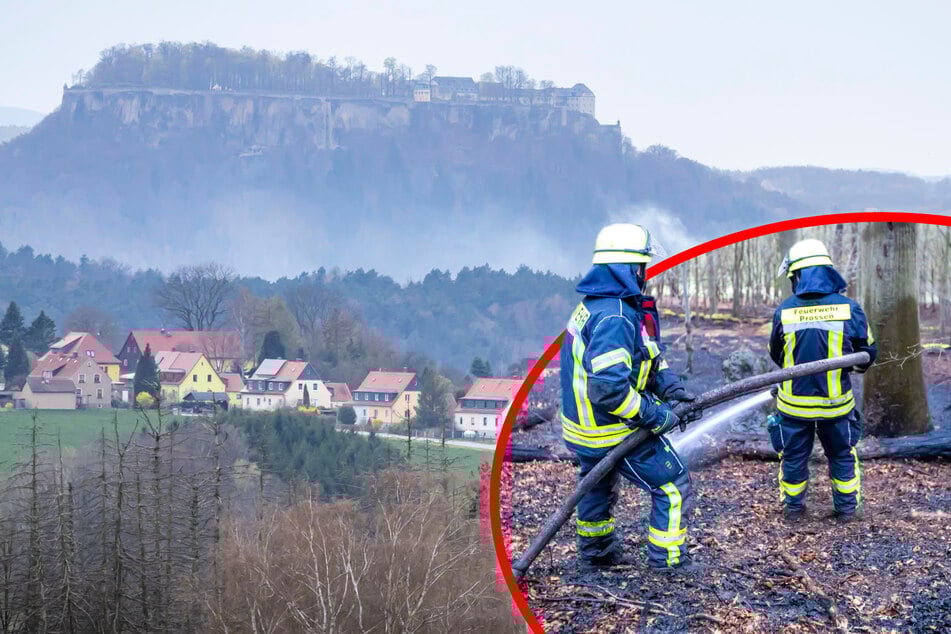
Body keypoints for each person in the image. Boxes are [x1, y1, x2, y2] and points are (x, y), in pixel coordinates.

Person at [560, 223, 696, 572]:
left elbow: (646, 356)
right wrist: (655, 415)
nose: (646, 274)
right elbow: (609, 390)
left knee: (595, 487)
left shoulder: (600, 307)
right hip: (610, 430)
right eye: (643, 266)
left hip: (584, 431)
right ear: (631, 269)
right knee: (673, 486)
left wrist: (672, 390)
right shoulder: (616, 317)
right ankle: (667, 563)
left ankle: (596, 555)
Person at [767, 238, 877, 523]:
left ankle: (793, 511)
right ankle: (847, 510)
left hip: (793, 406)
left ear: (799, 275)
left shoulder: (785, 311)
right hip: (836, 405)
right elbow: (868, 353)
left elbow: (776, 354)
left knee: (792, 459)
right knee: (841, 455)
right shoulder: (850, 308)